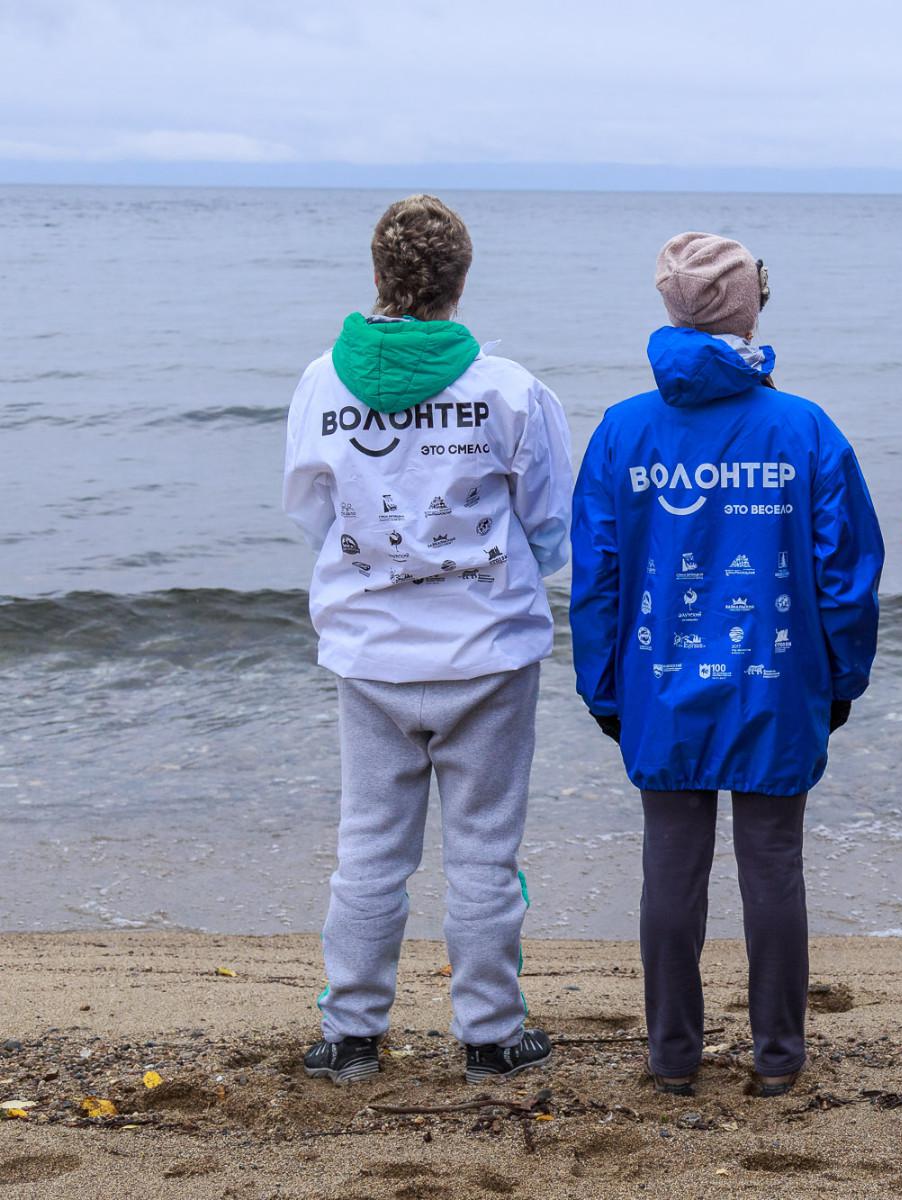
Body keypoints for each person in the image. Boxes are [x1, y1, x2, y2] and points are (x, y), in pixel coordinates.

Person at [570, 233, 883, 1098]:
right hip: (777, 685)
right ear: (752, 311)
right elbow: (848, 576)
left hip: (659, 684)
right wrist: (842, 679)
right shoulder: (803, 428)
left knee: (670, 867)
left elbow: (596, 576)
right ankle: (778, 1057)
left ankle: (673, 1056)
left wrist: (603, 689)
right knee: (773, 864)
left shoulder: (624, 429)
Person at [282, 194, 573, 1086]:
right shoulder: (508, 389)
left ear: (378, 274)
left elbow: (311, 510)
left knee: (371, 846)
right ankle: (489, 1033)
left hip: (370, 650)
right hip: (487, 652)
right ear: (460, 279)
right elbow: (550, 525)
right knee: (484, 849)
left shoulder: (322, 383)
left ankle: (350, 1033)